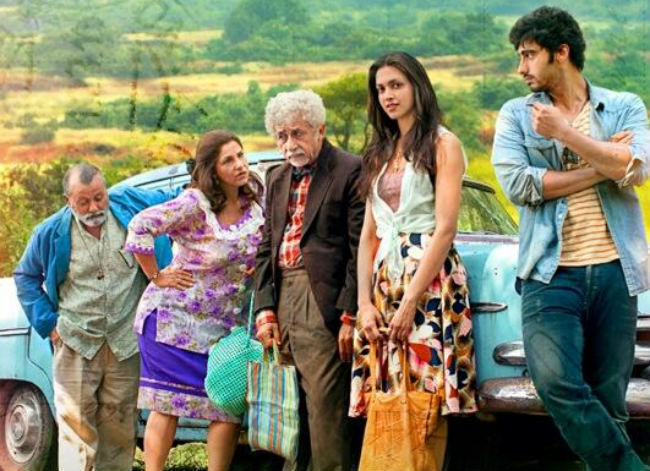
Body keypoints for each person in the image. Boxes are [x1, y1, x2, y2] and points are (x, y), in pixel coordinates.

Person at [492, 7, 650, 471]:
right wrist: (604, 164)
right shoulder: (516, 115)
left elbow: (638, 169)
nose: (521, 68)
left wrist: (566, 135)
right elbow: (521, 185)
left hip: (615, 271)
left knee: (609, 399)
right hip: (549, 272)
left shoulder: (623, 106)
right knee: (554, 381)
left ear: (561, 52)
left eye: (528, 55)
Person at [350, 51, 477, 454]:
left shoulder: (443, 143)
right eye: (380, 89)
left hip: (429, 281)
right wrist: (363, 305)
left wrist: (410, 303)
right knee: (387, 390)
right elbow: (368, 235)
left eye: (396, 85)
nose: (388, 95)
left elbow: (445, 228)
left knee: (427, 392)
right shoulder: (379, 151)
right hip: (384, 280)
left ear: (417, 87)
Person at [13, 163, 178, 471]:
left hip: (125, 343)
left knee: (120, 427)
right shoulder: (51, 232)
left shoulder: (129, 204)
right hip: (74, 343)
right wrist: (50, 325)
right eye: (84, 202)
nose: (94, 208)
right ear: (68, 201)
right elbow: (25, 277)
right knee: (76, 430)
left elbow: (176, 197)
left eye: (99, 197)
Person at [124, 130, 264, 471]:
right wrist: (157, 275)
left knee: (227, 407)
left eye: (240, 155)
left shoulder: (256, 197)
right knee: (167, 404)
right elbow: (139, 226)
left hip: (226, 330)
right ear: (212, 169)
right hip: (173, 322)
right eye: (228, 160)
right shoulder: (194, 204)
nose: (239, 165)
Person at [253, 89, 364, 471]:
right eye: (281, 136)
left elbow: (359, 249)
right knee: (288, 405)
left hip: (321, 299)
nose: (289, 144)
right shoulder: (276, 176)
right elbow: (265, 246)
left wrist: (349, 313)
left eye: (297, 133)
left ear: (321, 129)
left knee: (323, 405)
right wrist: (265, 309)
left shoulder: (349, 169)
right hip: (282, 293)